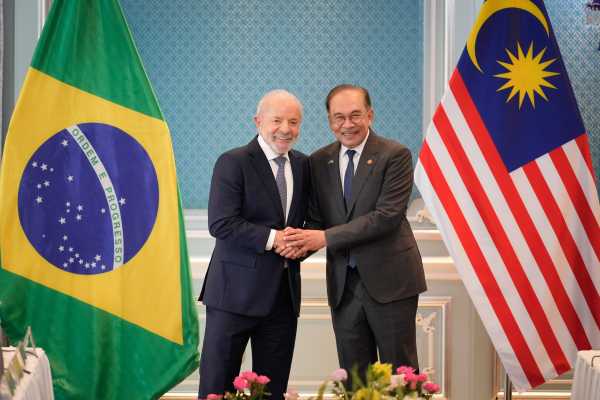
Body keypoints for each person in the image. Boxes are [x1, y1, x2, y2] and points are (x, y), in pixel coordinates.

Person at [283, 84, 426, 381]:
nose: (347, 124)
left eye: (355, 115)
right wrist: (289, 246)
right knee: (355, 377)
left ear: (370, 115)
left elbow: (386, 217)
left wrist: (325, 238)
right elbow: (316, 221)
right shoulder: (318, 161)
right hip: (343, 287)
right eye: (339, 117)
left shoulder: (395, 155)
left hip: (391, 283)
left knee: (400, 377)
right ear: (329, 121)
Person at [198, 90, 310, 399]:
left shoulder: (303, 165)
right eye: (277, 120)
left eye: (293, 122)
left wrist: (300, 245)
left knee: (272, 390)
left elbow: (310, 223)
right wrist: (275, 239)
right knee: (217, 387)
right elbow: (221, 222)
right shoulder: (232, 162)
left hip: (283, 298)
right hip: (233, 295)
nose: (285, 129)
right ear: (258, 121)